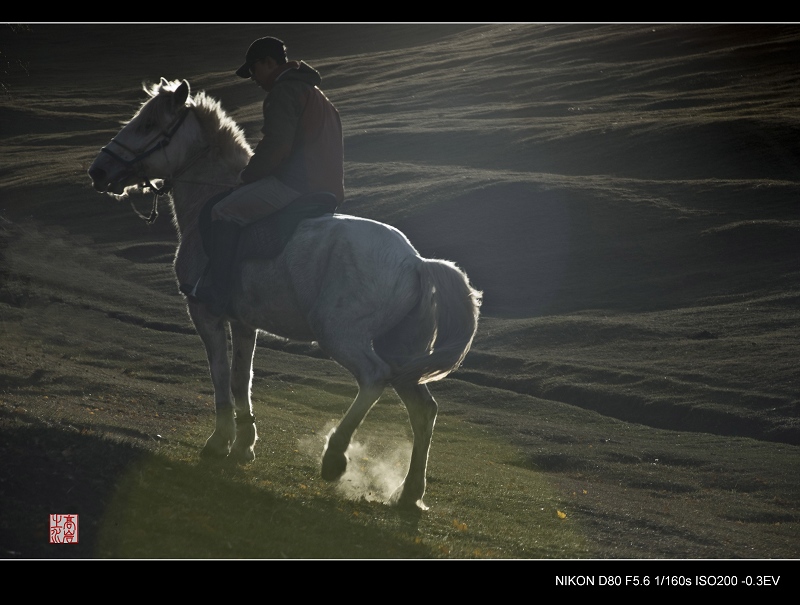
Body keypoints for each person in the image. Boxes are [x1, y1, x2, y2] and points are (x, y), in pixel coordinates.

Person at [186, 36, 344, 316]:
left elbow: (277, 146)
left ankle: (220, 292)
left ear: (268, 62)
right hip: (328, 188)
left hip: (297, 185)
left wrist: (247, 177)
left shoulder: (284, 92)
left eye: (254, 70)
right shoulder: (318, 96)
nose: (254, 79)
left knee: (223, 210)